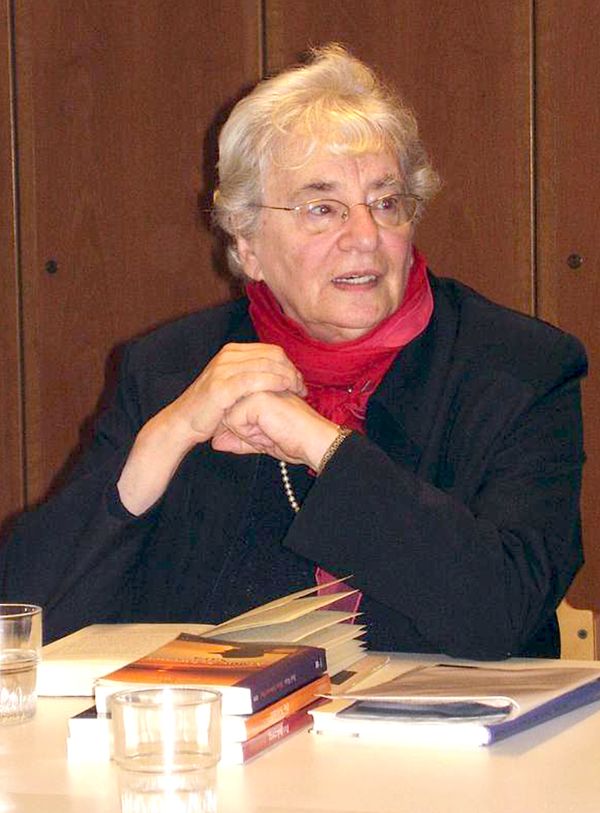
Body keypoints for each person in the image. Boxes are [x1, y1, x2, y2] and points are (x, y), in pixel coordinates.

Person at [0, 44, 586, 659]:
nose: (365, 236)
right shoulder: (172, 370)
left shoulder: (518, 368)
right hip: (223, 721)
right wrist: (164, 440)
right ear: (247, 244)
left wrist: (320, 445)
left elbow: (501, 611)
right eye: (321, 209)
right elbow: (24, 622)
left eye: (386, 203)